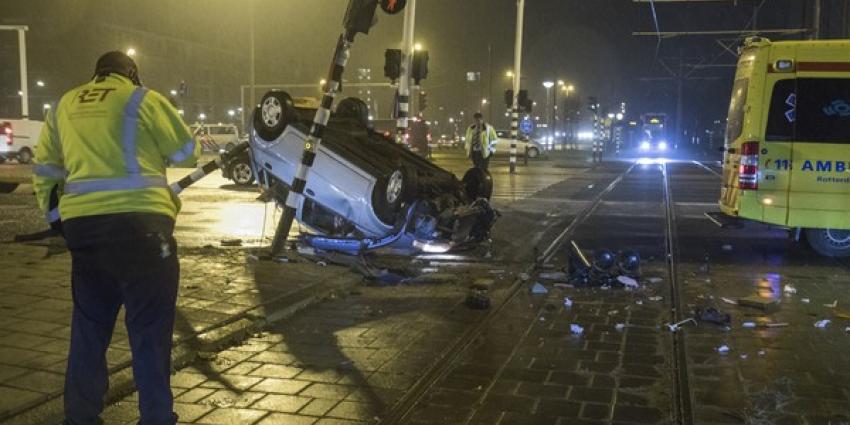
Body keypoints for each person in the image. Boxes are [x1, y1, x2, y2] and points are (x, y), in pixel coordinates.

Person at [32, 51, 199, 425]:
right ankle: (156, 418)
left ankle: (80, 417)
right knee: (150, 332)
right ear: (132, 74)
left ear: (96, 75)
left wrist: (58, 220)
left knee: (89, 330)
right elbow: (188, 153)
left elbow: (45, 171)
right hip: (144, 231)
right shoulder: (144, 99)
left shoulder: (63, 105)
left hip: (87, 235)